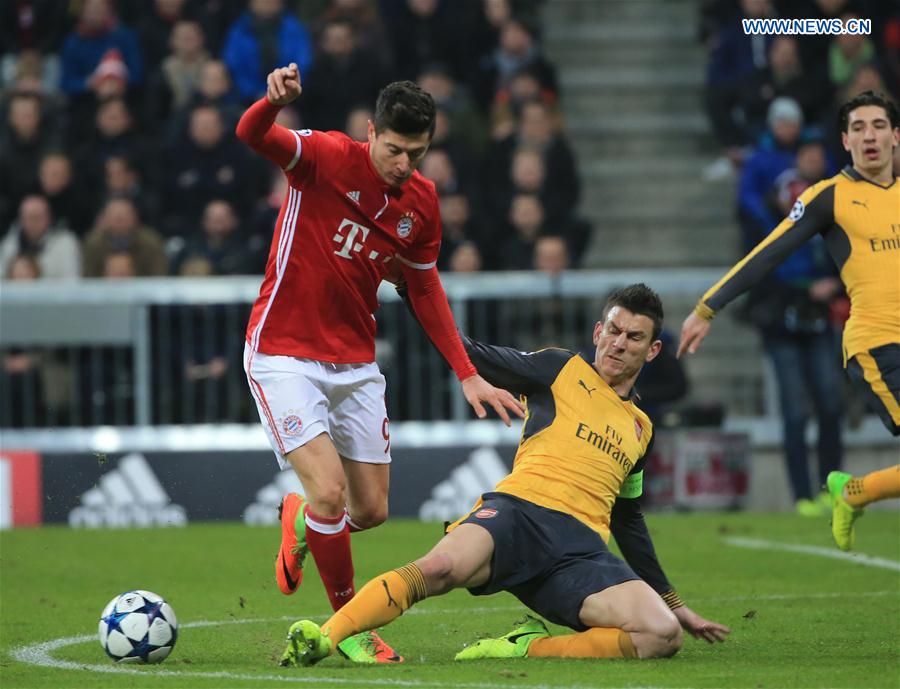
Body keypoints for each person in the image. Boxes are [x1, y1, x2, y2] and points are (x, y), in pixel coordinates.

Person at [235, 63, 524, 664]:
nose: (403, 164)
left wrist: (467, 371)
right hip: (283, 352)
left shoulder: (422, 202)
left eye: (416, 153)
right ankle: (351, 627)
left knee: (369, 510)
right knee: (330, 493)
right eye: (394, 149)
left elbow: (424, 286)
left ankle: (301, 522)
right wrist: (272, 103)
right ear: (371, 132)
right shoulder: (323, 157)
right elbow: (251, 135)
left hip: (355, 363)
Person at [278, 284, 730, 668]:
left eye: (634, 337)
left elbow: (628, 519)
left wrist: (673, 603)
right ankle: (325, 638)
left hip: (580, 554)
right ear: (598, 332)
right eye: (613, 331)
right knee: (438, 569)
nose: (619, 343)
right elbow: (470, 352)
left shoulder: (642, 429)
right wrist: (413, 290)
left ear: (652, 350)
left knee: (661, 635)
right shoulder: (559, 370)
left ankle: (527, 647)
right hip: (517, 515)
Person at [678, 91, 900, 551]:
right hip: (878, 344)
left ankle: (854, 492)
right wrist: (707, 306)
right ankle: (851, 493)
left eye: (878, 126)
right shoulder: (829, 197)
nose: (869, 136)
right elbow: (769, 251)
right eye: (858, 128)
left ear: (895, 136)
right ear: (845, 141)